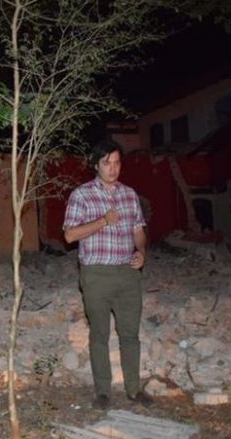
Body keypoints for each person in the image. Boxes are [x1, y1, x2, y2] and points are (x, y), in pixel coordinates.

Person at [63, 139, 152, 410]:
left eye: (117, 163)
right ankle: (103, 391)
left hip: (127, 274)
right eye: (106, 163)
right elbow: (69, 235)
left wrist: (141, 251)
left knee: (130, 335)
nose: (113, 168)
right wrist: (103, 220)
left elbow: (138, 230)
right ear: (96, 165)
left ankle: (134, 389)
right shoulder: (81, 195)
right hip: (96, 274)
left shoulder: (129, 194)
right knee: (99, 334)